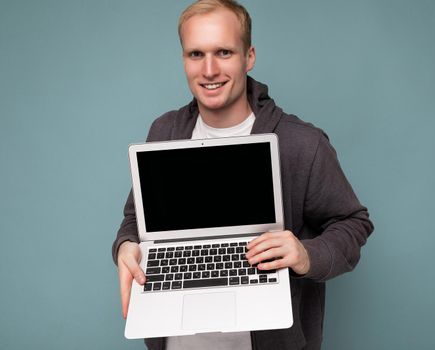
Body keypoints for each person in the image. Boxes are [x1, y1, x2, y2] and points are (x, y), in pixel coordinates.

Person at [112, 0, 374, 349]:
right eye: (195, 54)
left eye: (223, 52)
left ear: (248, 57)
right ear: (183, 60)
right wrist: (126, 246)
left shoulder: (301, 143)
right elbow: (135, 219)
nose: (209, 69)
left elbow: (353, 223)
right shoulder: (165, 131)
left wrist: (305, 254)